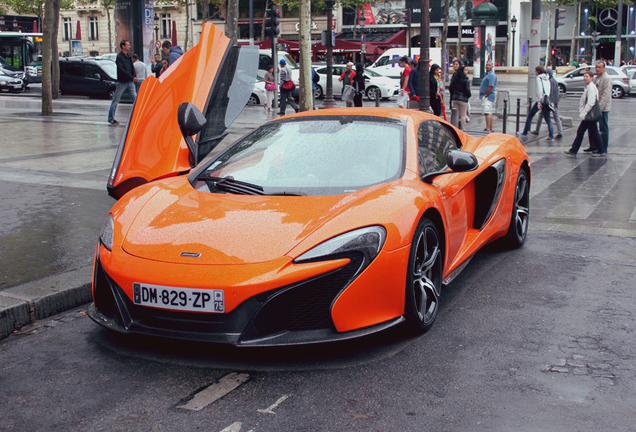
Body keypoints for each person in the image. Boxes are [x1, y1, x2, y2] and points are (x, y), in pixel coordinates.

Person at [564, 70, 604, 157]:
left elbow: (591, 102)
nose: (585, 78)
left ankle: (601, 150)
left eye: (587, 76)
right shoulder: (589, 87)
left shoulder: (591, 88)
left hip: (589, 115)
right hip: (588, 115)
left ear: (591, 78)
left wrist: (584, 112)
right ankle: (574, 150)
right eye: (584, 76)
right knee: (581, 131)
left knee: (593, 132)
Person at [517, 65, 553, 140]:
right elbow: (548, 89)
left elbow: (539, 90)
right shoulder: (547, 78)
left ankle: (525, 132)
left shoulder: (539, 78)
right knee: (547, 118)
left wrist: (539, 101)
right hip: (546, 99)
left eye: (536, 71)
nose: (535, 72)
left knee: (530, 115)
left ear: (538, 71)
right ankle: (551, 136)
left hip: (541, 100)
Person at [107, 40, 138, 125]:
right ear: (123, 46)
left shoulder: (128, 56)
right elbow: (122, 70)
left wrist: (133, 76)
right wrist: (132, 77)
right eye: (128, 45)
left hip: (130, 82)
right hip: (122, 82)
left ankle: (138, 117)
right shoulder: (119, 57)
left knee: (136, 100)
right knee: (116, 100)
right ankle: (111, 118)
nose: (129, 46)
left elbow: (132, 68)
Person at [532, 67, 563, 139]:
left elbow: (549, 92)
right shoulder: (554, 80)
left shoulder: (549, 81)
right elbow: (557, 92)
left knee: (546, 116)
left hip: (550, 102)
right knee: (554, 116)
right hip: (554, 102)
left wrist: (548, 101)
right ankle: (559, 131)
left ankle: (538, 131)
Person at [592, 61, 612, 153]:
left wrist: (599, 108)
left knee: (603, 128)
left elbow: (606, 95)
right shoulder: (596, 78)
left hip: (602, 108)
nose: (598, 69)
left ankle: (603, 148)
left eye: (600, 67)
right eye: (596, 67)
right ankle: (594, 145)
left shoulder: (606, 78)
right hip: (595, 107)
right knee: (593, 127)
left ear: (604, 68)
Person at [448, 61, 471, 129]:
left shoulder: (455, 78)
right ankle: (463, 129)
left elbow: (450, 88)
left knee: (456, 115)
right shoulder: (465, 80)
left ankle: (456, 128)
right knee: (463, 115)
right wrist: (468, 95)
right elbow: (467, 90)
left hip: (455, 98)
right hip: (463, 99)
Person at [479, 60, 496, 133]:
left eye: (489, 65)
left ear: (492, 66)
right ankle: (489, 128)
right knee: (489, 112)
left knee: (487, 112)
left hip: (487, 96)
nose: (487, 66)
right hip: (487, 95)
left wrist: (486, 95)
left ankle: (488, 128)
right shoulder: (488, 74)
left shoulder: (491, 75)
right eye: (487, 65)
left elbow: (490, 86)